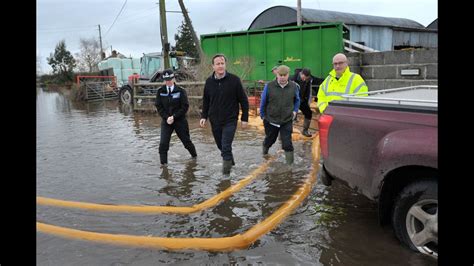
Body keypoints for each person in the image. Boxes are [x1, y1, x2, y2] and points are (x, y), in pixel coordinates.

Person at [200, 54, 249, 174]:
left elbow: (243, 100)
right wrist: (204, 116)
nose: (220, 66)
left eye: (222, 63)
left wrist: (244, 118)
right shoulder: (209, 82)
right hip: (214, 120)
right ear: (213, 66)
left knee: (226, 146)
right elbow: (206, 100)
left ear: (225, 65)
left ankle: (226, 177)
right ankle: (231, 163)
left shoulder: (234, 80)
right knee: (221, 147)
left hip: (230, 120)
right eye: (218, 64)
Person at [259, 65, 300, 165]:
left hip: (287, 119)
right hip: (271, 119)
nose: (282, 77)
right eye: (280, 75)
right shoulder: (269, 86)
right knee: (270, 139)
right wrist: (263, 115)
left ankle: (290, 165)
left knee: (287, 142)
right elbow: (263, 101)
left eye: (284, 75)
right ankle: (265, 151)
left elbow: (297, 100)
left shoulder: (294, 86)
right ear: (276, 74)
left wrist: (295, 111)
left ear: (288, 75)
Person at [155, 69, 197, 166]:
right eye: (166, 80)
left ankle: (194, 157)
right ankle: (164, 166)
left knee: (186, 142)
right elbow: (159, 106)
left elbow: (185, 106)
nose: (168, 82)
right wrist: (167, 117)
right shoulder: (160, 91)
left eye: (170, 79)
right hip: (166, 121)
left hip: (180, 121)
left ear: (173, 78)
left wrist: (174, 116)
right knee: (163, 144)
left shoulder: (181, 91)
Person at [292, 68, 314, 137]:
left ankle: (305, 131)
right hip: (292, 100)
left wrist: (307, 101)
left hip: (301, 100)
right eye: (304, 77)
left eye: (306, 78)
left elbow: (307, 91)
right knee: (289, 115)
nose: (304, 79)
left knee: (308, 113)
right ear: (301, 74)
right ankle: (284, 133)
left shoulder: (308, 79)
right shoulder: (293, 78)